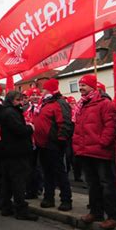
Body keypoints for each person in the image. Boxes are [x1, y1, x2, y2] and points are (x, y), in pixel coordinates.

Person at [72, 75, 116, 229]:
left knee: (107, 185)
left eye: (84, 85)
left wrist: (103, 143)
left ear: (93, 87)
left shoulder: (105, 104)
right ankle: (96, 212)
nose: (81, 88)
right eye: (80, 85)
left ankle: (114, 216)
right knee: (93, 184)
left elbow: (111, 125)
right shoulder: (82, 105)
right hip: (86, 151)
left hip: (101, 151)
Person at [32, 78, 74, 211]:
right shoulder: (45, 103)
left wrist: (61, 140)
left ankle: (66, 199)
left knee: (59, 172)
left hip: (54, 144)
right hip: (43, 144)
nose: (42, 91)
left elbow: (65, 123)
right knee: (47, 172)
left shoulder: (60, 103)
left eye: (44, 89)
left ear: (50, 89)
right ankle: (49, 197)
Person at [0, 90, 38, 221]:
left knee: (8, 181)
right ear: (11, 100)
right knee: (18, 181)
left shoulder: (7, 111)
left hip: (8, 152)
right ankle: (21, 209)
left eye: (21, 100)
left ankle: (6, 207)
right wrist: (30, 128)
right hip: (16, 152)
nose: (21, 102)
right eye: (18, 100)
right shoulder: (11, 112)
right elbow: (18, 130)